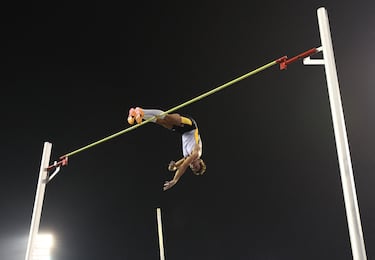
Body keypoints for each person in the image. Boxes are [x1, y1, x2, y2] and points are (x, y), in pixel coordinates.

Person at [127, 107, 206, 191]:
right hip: (190, 126)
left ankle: (137, 114)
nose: (193, 165)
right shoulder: (197, 153)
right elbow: (184, 165)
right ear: (200, 161)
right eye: (196, 166)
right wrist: (175, 180)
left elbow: (175, 167)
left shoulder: (187, 157)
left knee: (162, 122)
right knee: (168, 118)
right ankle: (142, 111)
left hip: (182, 132)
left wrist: (173, 166)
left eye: (192, 168)